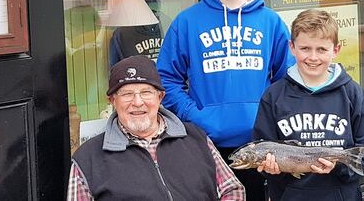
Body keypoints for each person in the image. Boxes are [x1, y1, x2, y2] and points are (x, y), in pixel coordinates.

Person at [157, 0, 293, 201]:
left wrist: (270, 121)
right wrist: (193, 115)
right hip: (204, 142)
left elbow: (286, 79)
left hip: (258, 145)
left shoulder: (271, 22)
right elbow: (166, 78)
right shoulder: (187, 22)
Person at [68, 55, 245, 201]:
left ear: (160, 97)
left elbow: (232, 189)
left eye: (146, 92)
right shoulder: (87, 159)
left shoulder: (196, 138)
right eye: (127, 94)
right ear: (113, 101)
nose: (137, 103)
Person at [252, 8, 364, 201]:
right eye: (305, 48)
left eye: (321, 49)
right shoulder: (273, 96)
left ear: (336, 50)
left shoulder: (353, 94)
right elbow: (262, 147)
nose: (313, 57)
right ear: (292, 47)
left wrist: (339, 167)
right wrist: (271, 169)